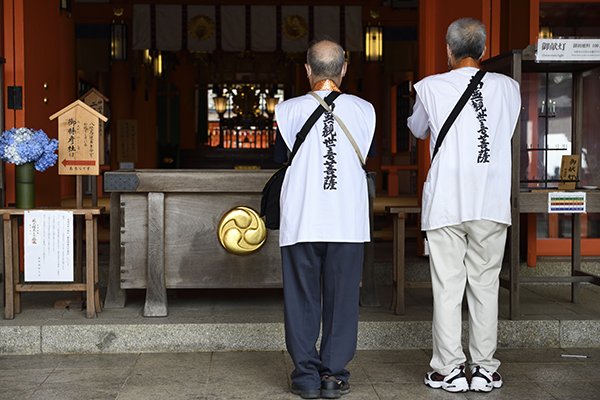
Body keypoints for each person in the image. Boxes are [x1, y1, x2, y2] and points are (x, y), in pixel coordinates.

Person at [407, 18, 521, 393]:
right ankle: (485, 368)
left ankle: (449, 369)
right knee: (485, 285)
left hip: (446, 202)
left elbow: (418, 128)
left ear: (447, 49)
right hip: (489, 199)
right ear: (484, 50)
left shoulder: (430, 87)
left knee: (447, 286)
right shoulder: (509, 88)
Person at [274, 39, 376, 399]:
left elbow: (278, 158)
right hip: (347, 220)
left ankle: (305, 375)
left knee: (302, 298)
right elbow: (367, 156)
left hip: (302, 218)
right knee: (342, 297)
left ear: (307, 70)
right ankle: (333, 376)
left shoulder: (285, 112)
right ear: (344, 69)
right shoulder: (366, 111)